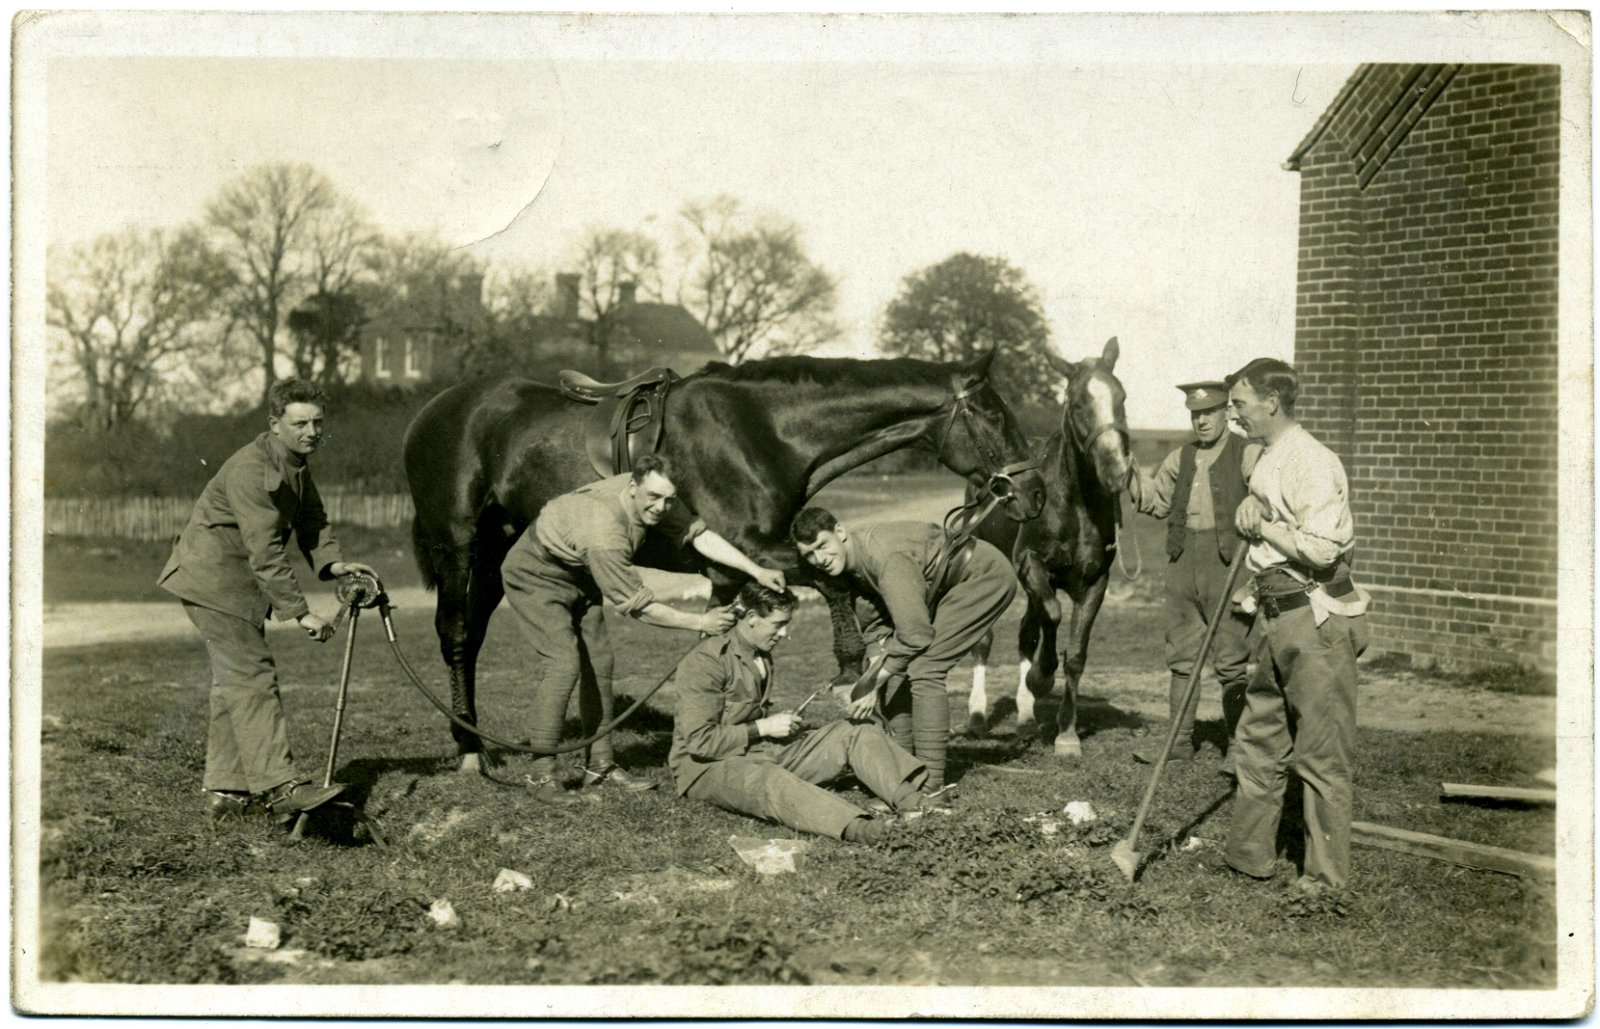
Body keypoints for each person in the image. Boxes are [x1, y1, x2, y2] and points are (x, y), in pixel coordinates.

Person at [501, 453, 789, 807]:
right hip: (535, 571)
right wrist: (700, 622)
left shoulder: (660, 494)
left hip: (579, 572)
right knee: (563, 663)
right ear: (632, 486)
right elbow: (639, 606)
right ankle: (540, 775)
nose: (661, 507)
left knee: (600, 662)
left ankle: (600, 765)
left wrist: (756, 571)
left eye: (668, 500)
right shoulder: (604, 530)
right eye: (653, 497)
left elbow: (699, 536)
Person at [158, 378, 380, 824]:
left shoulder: (294, 462)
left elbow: (313, 520)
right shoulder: (251, 469)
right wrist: (301, 614)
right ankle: (281, 787)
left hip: (234, 585)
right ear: (275, 423)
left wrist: (333, 564)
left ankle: (227, 793)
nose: (312, 432)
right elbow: (266, 552)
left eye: (317, 422)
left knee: (234, 683)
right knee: (252, 675)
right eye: (300, 424)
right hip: (211, 582)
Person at [1218, 358, 1369, 893]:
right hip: (1273, 613)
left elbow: (1324, 549)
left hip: (1314, 617)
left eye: (1239, 404)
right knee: (1258, 736)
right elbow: (1271, 506)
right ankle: (1248, 856)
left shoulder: (1313, 461)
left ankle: (1324, 882)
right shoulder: (1269, 456)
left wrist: (1264, 524)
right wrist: (1254, 503)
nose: (1232, 414)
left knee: (1320, 752)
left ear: (1271, 402)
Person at [669, 583, 937, 844]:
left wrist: (774, 725)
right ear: (751, 618)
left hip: (755, 750)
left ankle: (915, 803)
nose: (784, 633)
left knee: (854, 730)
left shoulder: (759, 652)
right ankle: (867, 830)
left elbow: (743, 716)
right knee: (771, 780)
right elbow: (700, 742)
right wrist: (764, 727)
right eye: (778, 624)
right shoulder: (706, 661)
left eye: (786, 624)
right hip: (707, 767)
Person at [790, 508, 1018, 792]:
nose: (820, 559)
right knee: (895, 666)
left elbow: (915, 636)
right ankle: (903, 775)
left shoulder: (884, 557)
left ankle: (931, 787)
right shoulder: (852, 564)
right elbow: (875, 630)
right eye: (809, 555)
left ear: (840, 532)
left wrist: (873, 682)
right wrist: (876, 673)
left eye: (822, 545)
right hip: (947, 584)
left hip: (982, 575)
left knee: (926, 666)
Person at [1125, 380, 1260, 770]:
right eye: (1195, 414)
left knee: (1231, 660)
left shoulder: (1248, 453)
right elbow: (1156, 503)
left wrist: (1256, 500)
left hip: (1229, 564)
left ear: (1226, 413)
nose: (1201, 421)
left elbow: (1268, 495)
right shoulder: (1179, 457)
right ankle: (1179, 742)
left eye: (1209, 412)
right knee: (1182, 657)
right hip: (1182, 562)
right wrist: (1128, 474)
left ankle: (1238, 748)